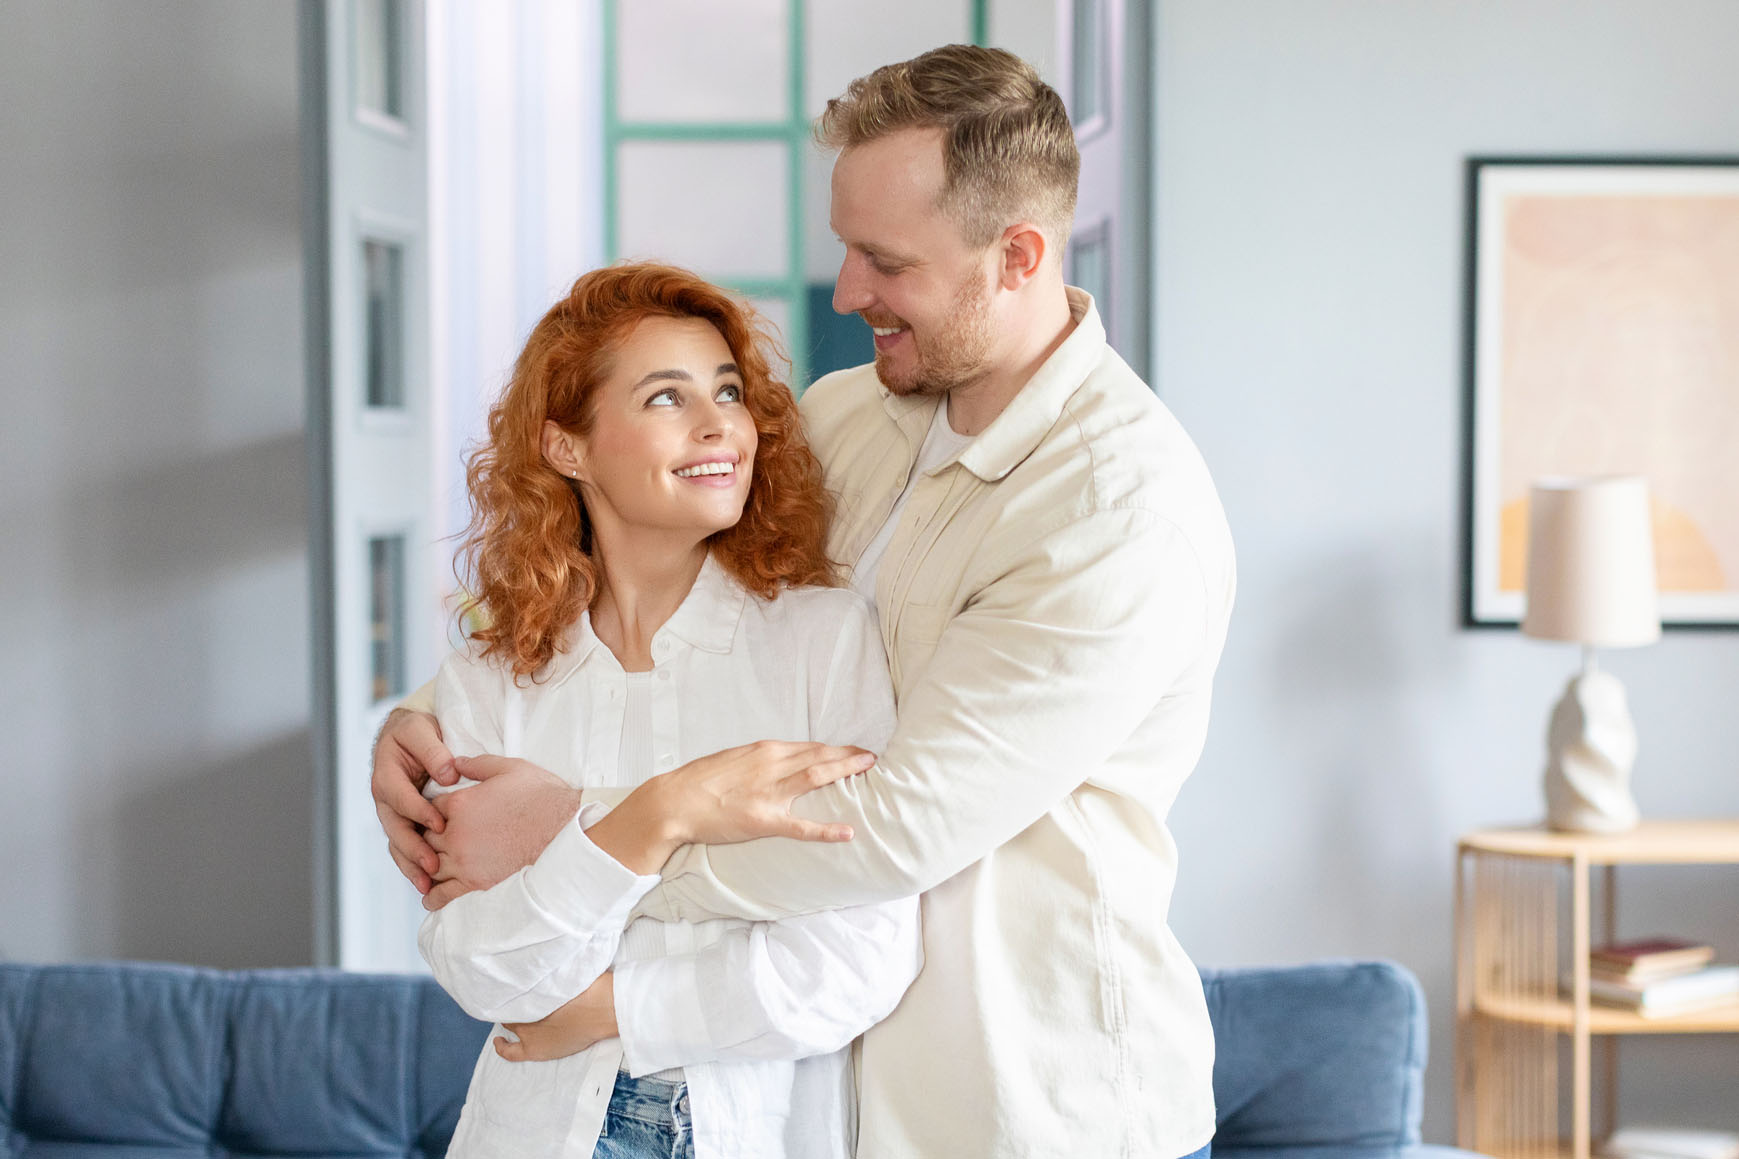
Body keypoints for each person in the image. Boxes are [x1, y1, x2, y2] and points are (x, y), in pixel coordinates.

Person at [376, 45, 1235, 1159]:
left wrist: (583, 827)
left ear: (1015, 256)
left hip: (1030, 1107)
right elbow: (634, 571)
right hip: (818, 1103)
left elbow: (891, 826)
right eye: (844, 247)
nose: (845, 292)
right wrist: (426, 715)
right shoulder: (847, 417)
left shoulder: (1114, 513)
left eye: (883, 260)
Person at [418, 261, 921, 1158]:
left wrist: (603, 1005)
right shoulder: (486, 682)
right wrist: (655, 817)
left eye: (728, 391)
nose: (719, 422)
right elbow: (480, 968)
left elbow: (854, 964)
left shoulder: (825, 641)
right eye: (665, 397)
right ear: (568, 447)